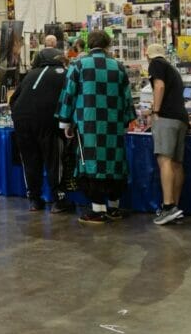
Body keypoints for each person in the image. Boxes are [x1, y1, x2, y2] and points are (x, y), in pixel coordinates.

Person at [56, 30, 136, 224]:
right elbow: (127, 98)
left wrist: (65, 121)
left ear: (88, 45)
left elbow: (69, 95)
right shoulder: (118, 66)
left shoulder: (79, 65)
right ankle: (114, 209)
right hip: (113, 124)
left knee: (91, 164)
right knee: (114, 163)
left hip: (88, 124)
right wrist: (126, 121)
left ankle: (98, 211)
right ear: (108, 45)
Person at [10, 47, 71, 213]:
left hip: (22, 121)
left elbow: (14, 99)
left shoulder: (30, 74)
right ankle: (58, 199)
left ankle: (34, 200)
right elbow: (69, 98)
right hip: (48, 121)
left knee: (30, 161)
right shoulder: (64, 73)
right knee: (54, 159)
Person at [146, 44, 188, 226]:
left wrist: (155, 111)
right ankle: (175, 208)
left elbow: (159, 86)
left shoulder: (156, 64)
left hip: (167, 117)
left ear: (148, 55)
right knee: (177, 163)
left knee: (165, 160)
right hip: (181, 118)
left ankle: (168, 206)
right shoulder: (172, 68)